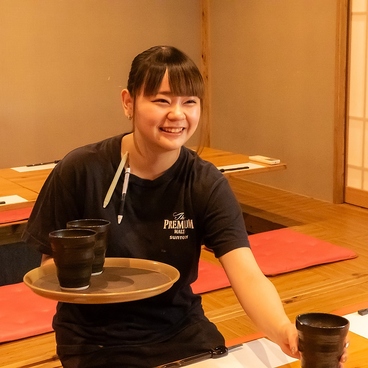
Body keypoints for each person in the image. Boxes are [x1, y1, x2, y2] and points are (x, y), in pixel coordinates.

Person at [23, 45, 346, 368]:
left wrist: (283, 331)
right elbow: (51, 267)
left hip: (179, 330)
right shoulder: (81, 169)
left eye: (188, 102)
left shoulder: (204, 182)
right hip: (95, 338)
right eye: (162, 100)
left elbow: (246, 273)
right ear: (128, 102)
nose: (177, 114)